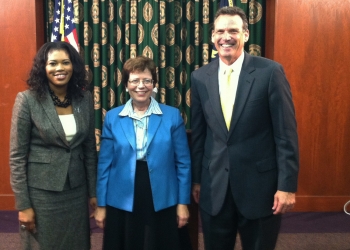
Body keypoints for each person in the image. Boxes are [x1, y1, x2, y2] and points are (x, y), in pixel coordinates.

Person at [190, 6, 299, 250]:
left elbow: (286, 134)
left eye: (233, 30)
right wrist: (197, 180)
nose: (225, 37)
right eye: (220, 31)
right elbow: (199, 136)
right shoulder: (199, 77)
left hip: (260, 190)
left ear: (246, 34)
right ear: (212, 37)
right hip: (214, 188)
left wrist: (287, 186)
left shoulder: (270, 72)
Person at [94, 56, 192, 250]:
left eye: (147, 80)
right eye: (135, 80)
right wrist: (101, 205)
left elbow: (183, 163)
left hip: (162, 194)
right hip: (122, 196)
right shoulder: (113, 117)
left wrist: (182, 203)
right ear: (126, 84)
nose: (141, 86)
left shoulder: (172, 116)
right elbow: (104, 165)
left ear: (154, 84)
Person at [9, 41, 97, 249]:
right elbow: (17, 157)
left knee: (77, 243)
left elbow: (89, 150)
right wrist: (23, 204)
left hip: (76, 190)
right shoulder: (27, 100)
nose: (60, 68)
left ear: (73, 66)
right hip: (42, 193)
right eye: (53, 63)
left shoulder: (84, 99)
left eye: (65, 62)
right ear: (43, 68)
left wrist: (93, 192)